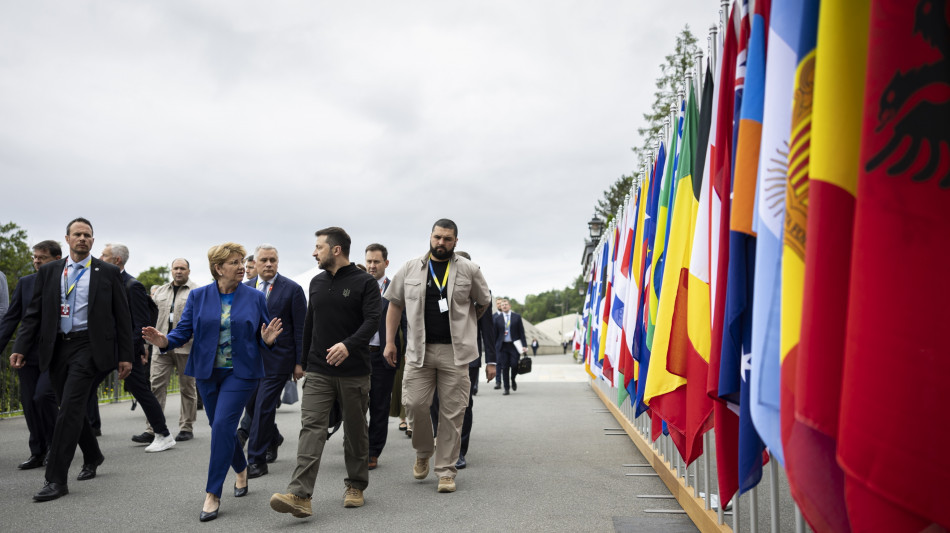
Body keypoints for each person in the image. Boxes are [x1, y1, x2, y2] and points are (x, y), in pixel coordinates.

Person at [143, 242, 283, 522]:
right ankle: (241, 469)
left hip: (241, 374)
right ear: (218, 268)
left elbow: (263, 333)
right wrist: (165, 341)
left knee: (221, 425)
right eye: (235, 262)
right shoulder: (199, 296)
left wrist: (266, 342)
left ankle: (213, 493)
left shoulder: (254, 297)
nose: (242, 267)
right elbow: (184, 330)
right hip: (207, 373)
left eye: (243, 261)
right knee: (221, 428)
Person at [11, 218, 134, 502]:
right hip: (56, 348)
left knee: (69, 407)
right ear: (67, 239)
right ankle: (92, 454)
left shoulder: (108, 272)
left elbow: (122, 317)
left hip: (89, 347)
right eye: (77, 234)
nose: (83, 239)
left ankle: (55, 479)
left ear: (92, 240)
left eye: (87, 235)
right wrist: (20, 345)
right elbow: (34, 314)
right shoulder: (51, 271)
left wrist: (126, 356)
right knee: (60, 403)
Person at [270, 227, 380, 519]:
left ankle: (356, 485)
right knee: (311, 429)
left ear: (336, 250)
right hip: (318, 369)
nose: (314, 252)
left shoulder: (365, 283)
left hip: (354, 371)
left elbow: (372, 321)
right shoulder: (316, 283)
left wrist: (348, 345)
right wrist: (301, 361)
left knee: (355, 432)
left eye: (318, 247)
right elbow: (310, 323)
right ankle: (300, 494)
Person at [383, 218, 491, 493]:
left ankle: (445, 471)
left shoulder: (469, 269)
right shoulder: (410, 268)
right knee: (415, 404)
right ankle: (422, 451)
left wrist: (466, 326)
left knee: (452, 414)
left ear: (456, 241)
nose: (441, 242)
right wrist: (389, 342)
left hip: (455, 354)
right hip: (419, 351)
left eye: (447, 238)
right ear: (430, 237)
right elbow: (394, 304)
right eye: (437, 237)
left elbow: (483, 302)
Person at [89, 243, 175, 453]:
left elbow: (140, 325)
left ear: (116, 260)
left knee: (142, 392)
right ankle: (84, 430)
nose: (99, 257)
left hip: (125, 352)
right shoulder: (102, 282)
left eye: (104, 254)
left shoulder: (132, 285)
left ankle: (163, 434)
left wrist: (133, 351)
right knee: (85, 387)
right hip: (104, 348)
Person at [428, 251, 496, 470]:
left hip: (468, 356)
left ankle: (458, 450)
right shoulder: (438, 287)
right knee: (436, 401)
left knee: (463, 405)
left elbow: (488, 329)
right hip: (438, 352)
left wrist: (491, 361)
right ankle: (441, 440)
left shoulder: (480, 291)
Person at [243, 244, 306, 479]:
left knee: (262, 407)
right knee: (250, 405)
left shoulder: (292, 289)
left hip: (279, 360)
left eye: (273, 260)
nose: (269, 264)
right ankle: (274, 437)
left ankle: (256, 460)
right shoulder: (245, 288)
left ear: (278, 262)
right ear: (256, 263)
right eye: (264, 260)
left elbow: (301, 328)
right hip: (250, 361)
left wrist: (300, 362)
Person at [0, 240, 62, 470]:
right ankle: (37, 451)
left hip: (56, 354)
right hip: (26, 355)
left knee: (42, 398)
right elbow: (11, 318)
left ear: (56, 259)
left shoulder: (66, 283)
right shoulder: (26, 283)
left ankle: (56, 448)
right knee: (29, 404)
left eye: (41, 257)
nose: (36, 261)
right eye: (34, 257)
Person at [364, 243, 406, 471]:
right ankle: (357, 445)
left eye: (376, 262)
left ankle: (373, 451)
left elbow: (407, 323)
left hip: (384, 357)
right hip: (358, 357)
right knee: (357, 406)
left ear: (386, 264)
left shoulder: (395, 290)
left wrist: (407, 351)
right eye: (369, 261)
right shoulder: (358, 287)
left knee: (379, 406)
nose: (372, 266)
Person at [148, 258, 199, 441]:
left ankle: (186, 427)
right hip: (160, 347)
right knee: (156, 386)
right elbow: (150, 318)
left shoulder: (197, 291)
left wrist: (190, 338)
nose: (179, 271)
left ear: (188, 271)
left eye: (182, 268)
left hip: (186, 347)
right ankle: (153, 428)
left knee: (187, 387)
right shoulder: (160, 291)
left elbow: (200, 321)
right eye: (176, 268)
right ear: (171, 270)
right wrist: (146, 346)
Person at [493, 298, 527, 395]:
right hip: (503, 346)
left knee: (514, 365)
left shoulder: (517, 317)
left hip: (514, 346)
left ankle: (513, 379)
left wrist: (524, 345)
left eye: (506, 304)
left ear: (509, 306)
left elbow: (521, 332)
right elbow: (495, 335)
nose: (504, 306)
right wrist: (494, 347)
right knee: (505, 367)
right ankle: (506, 388)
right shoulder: (497, 319)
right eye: (502, 305)